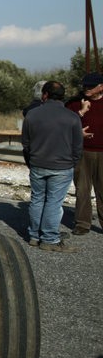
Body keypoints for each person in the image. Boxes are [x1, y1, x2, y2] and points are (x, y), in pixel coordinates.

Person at [23, 81, 82, 251]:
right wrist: (72, 162)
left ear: (45, 94)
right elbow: (77, 146)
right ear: (62, 96)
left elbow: (26, 144)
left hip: (37, 164)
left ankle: (34, 235)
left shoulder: (32, 115)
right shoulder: (72, 117)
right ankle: (49, 238)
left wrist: (31, 162)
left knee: (37, 199)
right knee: (54, 203)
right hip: (62, 166)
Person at [66, 71, 103, 235]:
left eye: (91, 86)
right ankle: (82, 224)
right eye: (85, 85)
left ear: (101, 87)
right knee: (82, 189)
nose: (86, 88)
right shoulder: (75, 103)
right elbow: (64, 122)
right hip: (82, 151)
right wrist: (77, 128)